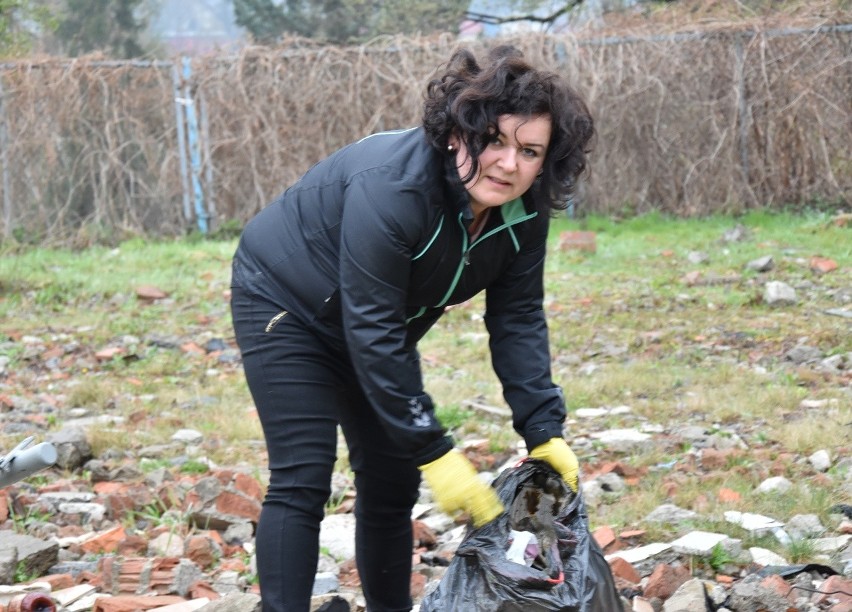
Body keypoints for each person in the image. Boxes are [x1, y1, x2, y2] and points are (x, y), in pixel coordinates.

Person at [229, 44, 595, 612]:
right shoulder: (394, 191)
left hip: (380, 322)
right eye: (494, 140)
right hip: (288, 303)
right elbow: (371, 327)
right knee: (304, 473)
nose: (507, 164)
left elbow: (517, 317)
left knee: (392, 479)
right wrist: (435, 448)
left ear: (546, 161)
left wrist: (543, 428)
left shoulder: (524, 216)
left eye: (529, 151)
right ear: (459, 134)